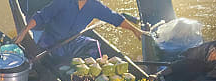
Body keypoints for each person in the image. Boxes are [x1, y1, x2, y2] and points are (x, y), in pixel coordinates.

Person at [13, 0, 143, 58]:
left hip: (73, 39)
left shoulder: (95, 5)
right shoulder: (63, 2)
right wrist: (24, 31)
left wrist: (135, 30)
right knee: (54, 59)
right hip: (51, 40)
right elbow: (41, 16)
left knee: (94, 45)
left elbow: (115, 18)